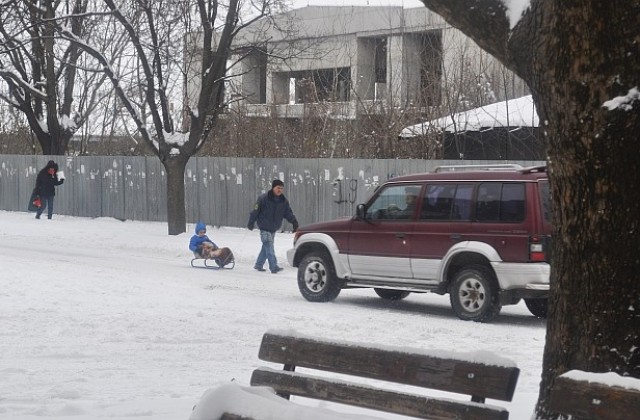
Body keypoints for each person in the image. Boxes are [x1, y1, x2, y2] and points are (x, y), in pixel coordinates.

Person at [247, 179, 299, 273]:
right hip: (264, 227)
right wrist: (251, 222)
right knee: (269, 246)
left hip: (273, 229)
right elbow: (255, 211)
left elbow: (288, 213)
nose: (280, 190)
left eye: (282, 188)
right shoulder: (263, 198)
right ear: (273, 188)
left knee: (266, 247)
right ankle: (273, 266)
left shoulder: (283, 201)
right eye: (278, 188)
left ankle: (258, 265)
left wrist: (294, 222)